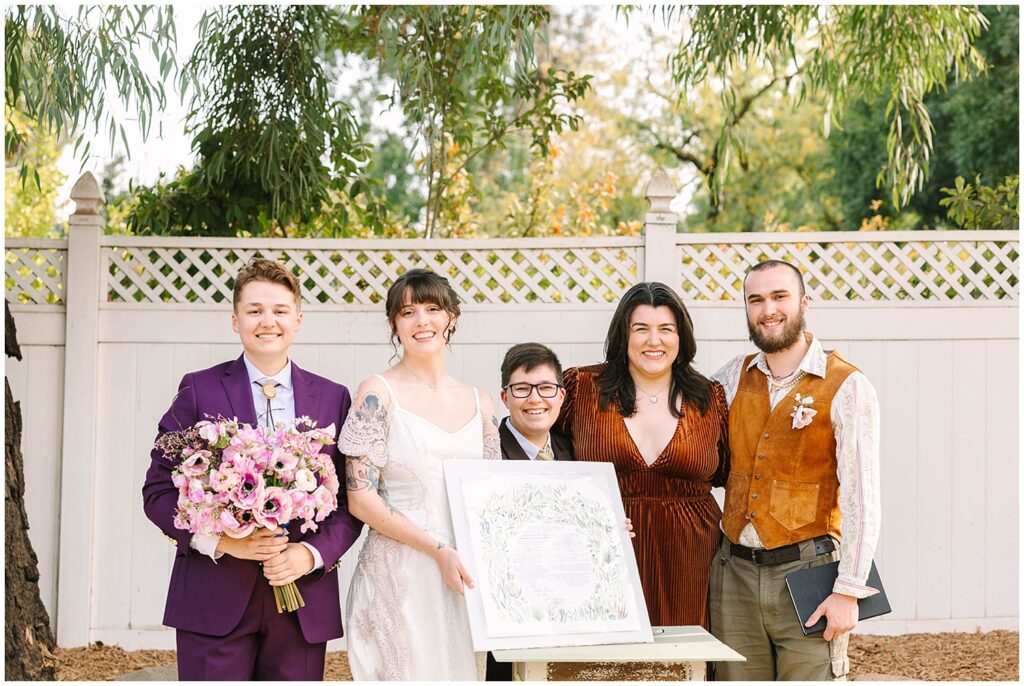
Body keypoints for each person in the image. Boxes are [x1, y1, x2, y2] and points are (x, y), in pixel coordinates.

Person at [141, 259, 364, 680]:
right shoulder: (199, 388)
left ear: (298, 320)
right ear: (235, 320)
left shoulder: (333, 397)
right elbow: (158, 492)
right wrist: (224, 542)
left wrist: (309, 555)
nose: (268, 322)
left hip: (300, 602)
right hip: (213, 595)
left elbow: (352, 502)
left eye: (280, 311)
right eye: (254, 310)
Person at [709, 259, 881, 681]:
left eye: (779, 296)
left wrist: (848, 591)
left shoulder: (847, 385)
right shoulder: (732, 376)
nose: (768, 309)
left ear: (804, 302)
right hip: (735, 575)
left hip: (809, 574)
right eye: (756, 300)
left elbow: (862, 498)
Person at [340, 268, 501, 681]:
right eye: (408, 312)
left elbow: (493, 498)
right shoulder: (377, 393)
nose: (421, 321)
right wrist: (437, 550)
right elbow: (361, 499)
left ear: (451, 317)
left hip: (462, 577)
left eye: (432, 309)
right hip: (400, 575)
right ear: (393, 324)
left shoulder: (480, 402)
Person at [556, 281, 729, 630]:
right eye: (641, 329)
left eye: (666, 329)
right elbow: (547, 457)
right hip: (604, 551)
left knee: (684, 655)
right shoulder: (582, 387)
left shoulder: (709, 397)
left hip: (692, 560)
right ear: (623, 334)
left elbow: (728, 472)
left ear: (681, 336)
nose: (654, 340)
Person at [498, 342, 574, 463]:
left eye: (546, 387)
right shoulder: (488, 454)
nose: (535, 399)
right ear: (505, 398)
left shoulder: (575, 450)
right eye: (522, 388)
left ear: (561, 397)